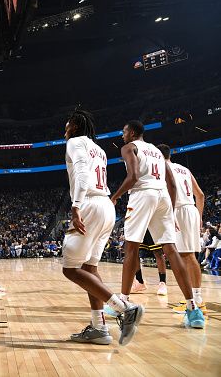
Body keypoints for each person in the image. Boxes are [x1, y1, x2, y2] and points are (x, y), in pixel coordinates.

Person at [110, 120, 205, 328]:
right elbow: (171, 183)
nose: (122, 135)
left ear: (132, 132)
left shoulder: (129, 147)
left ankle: (124, 302)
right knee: (171, 250)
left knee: (131, 248)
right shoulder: (156, 151)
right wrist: (168, 209)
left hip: (143, 194)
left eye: (124, 131)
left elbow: (133, 177)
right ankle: (193, 309)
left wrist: (115, 196)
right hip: (162, 195)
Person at [58, 111, 142, 346]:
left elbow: (83, 173)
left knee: (70, 269)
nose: (64, 130)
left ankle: (124, 308)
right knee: (89, 267)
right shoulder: (100, 149)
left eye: (67, 125)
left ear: (74, 126)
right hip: (105, 205)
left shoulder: (74, 142)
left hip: (90, 204)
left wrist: (75, 207)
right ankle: (99, 327)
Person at [156, 144, 207, 313]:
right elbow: (200, 195)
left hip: (178, 210)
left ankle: (196, 300)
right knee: (187, 256)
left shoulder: (162, 167)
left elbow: (168, 192)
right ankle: (194, 297)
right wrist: (199, 217)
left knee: (186, 256)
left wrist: (170, 214)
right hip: (191, 209)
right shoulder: (184, 169)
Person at [131, 230, 168, 295]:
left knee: (158, 251)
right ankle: (139, 281)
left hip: (151, 224)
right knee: (134, 252)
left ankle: (163, 282)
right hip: (140, 224)